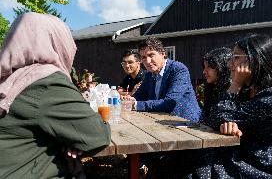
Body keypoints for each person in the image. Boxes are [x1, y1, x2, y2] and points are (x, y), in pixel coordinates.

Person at [0, 12, 111, 179]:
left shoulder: (9, 76)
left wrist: (67, 137)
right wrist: (69, 138)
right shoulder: (44, 80)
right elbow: (97, 134)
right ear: (58, 43)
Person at [187, 34, 272, 178]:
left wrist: (235, 85)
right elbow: (213, 119)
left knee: (197, 166)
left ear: (254, 60)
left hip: (264, 163)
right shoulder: (247, 91)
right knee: (186, 158)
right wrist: (225, 123)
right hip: (243, 152)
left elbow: (220, 115)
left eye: (236, 58)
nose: (229, 64)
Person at [132, 37, 200, 122]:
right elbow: (139, 95)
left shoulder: (178, 69)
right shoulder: (149, 74)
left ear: (162, 53)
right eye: (144, 57)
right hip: (160, 121)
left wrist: (135, 105)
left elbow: (169, 102)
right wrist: (130, 100)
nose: (148, 61)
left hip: (186, 123)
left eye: (151, 55)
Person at [202, 47, 232, 129]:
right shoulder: (212, 88)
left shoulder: (234, 90)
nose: (204, 71)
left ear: (222, 67)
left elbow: (216, 119)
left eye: (209, 67)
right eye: (204, 67)